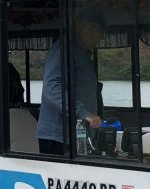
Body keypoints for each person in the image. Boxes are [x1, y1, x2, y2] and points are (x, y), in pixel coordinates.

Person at [36, 9, 104, 155]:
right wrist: (84, 113)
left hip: (76, 135)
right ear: (79, 26)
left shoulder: (84, 55)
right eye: (92, 28)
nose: (97, 34)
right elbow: (52, 88)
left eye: (99, 31)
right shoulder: (63, 49)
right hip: (58, 137)